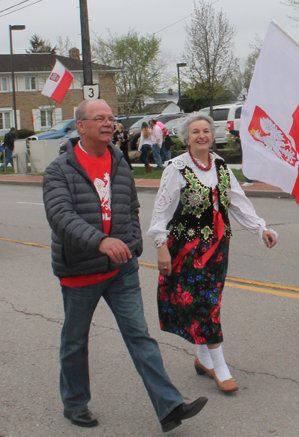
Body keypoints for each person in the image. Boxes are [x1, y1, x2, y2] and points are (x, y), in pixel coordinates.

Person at [42, 99, 207, 433]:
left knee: (139, 336)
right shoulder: (59, 170)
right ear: (81, 126)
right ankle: (75, 403)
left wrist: (133, 244)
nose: (108, 123)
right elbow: (60, 217)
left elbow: (130, 206)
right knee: (75, 341)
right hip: (81, 271)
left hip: (121, 270)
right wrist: (99, 241)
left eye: (111, 118)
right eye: (99, 118)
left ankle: (169, 406)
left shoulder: (119, 161)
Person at [147, 112, 277, 393]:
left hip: (218, 247)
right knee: (204, 305)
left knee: (209, 303)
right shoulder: (176, 168)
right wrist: (161, 248)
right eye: (195, 131)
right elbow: (161, 212)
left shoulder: (220, 165)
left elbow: (238, 202)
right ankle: (219, 366)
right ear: (186, 138)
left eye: (206, 130)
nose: (202, 135)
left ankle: (203, 358)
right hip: (186, 250)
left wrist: (260, 228)